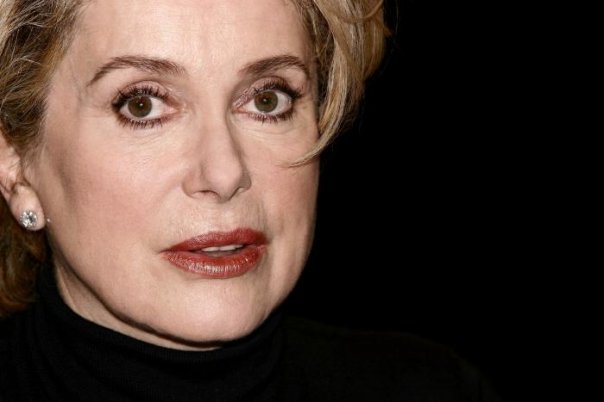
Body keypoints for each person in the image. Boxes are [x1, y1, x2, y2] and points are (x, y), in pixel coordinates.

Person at [0, 0, 504, 400]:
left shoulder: (436, 388)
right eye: (143, 104)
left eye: (268, 99)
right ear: (15, 162)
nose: (225, 174)